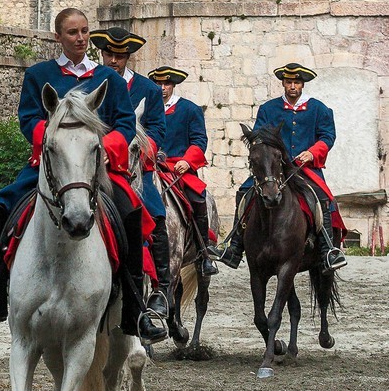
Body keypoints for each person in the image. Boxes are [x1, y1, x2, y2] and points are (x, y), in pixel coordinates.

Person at [0, 6, 166, 343]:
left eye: (84, 31)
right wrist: (54, 142)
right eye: (73, 32)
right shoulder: (39, 75)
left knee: (131, 211)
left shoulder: (108, 78)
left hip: (99, 167)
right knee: (4, 202)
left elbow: (126, 123)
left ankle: (137, 310)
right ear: (59, 37)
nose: (81, 38)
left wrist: (103, 146)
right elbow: (28, 118)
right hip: (51, 165)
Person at [218, 63, 347, 273]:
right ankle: (235, 247)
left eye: (296, 82)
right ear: (283, 83)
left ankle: (327, 251)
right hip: (273, 169)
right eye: (289, 82)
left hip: (305, 168)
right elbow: (258, 137)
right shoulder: (268, 109)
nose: (293, 86)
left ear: (302, 84)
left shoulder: (319, 109)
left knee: (324, 198)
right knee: (244, 192)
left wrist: (312, 152)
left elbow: (327, 136)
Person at [90, 26, 175, 320]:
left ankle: (162, 288)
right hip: (93, 162)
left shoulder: (148, 90)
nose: (114, 60)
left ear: (128, 57)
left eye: (120, 55)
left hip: (136, 166)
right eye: (110, 54)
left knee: (155, 210)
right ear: (102, 54)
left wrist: (137, 148)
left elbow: (158, 130)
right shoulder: (89, 83)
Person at [146, 65, 218, 276]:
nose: (162, 88)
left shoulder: (189, 109)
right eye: (158, 83)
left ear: (173, 85)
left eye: (166, 83)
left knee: (197, 197)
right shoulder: (147, 108)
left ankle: (204, 252)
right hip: (150, 165)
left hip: (179, 168)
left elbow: (199, 140)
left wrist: (187, 161)